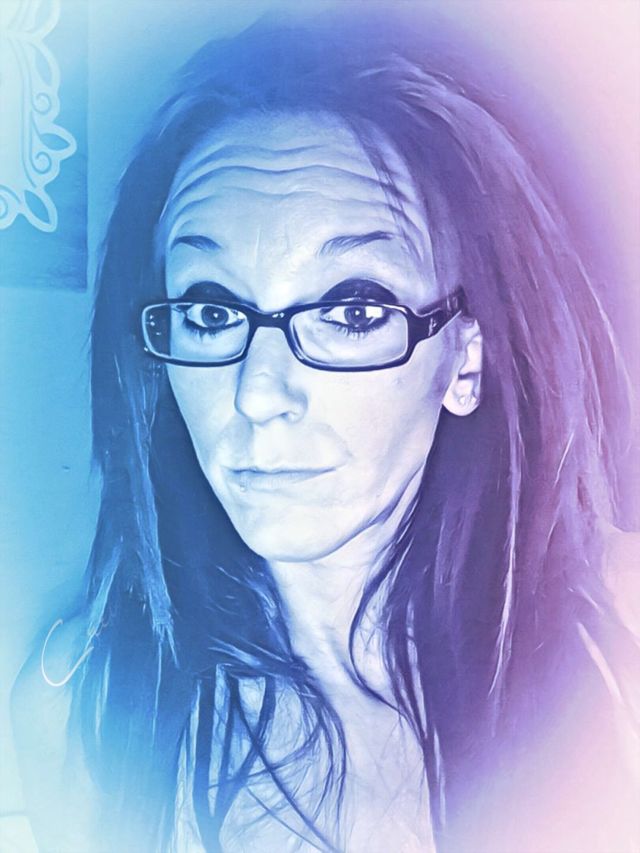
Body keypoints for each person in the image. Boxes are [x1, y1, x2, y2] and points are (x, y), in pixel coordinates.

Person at [12, 7, 639, 852]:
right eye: (210, 310)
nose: (258, 391)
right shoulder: (79, 715)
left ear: (464, 361)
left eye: (354, 308)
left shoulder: (619, 644)